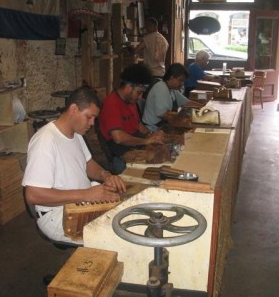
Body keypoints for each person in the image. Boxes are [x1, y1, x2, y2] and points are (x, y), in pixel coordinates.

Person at [22, 87, 126, 245]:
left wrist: (106, 176)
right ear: (74, 109)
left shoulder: (76, 134)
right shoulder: (45, 141)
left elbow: (87, 164)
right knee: (118, 235)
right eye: (89, 117)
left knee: (125, 215)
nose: (92, 123)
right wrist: (87, 195)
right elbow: (33, 195)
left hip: (80, 203)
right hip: (58, 215)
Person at [98, 63, 164, 174]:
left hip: (135, 146)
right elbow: (119, 138)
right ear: (129, 87)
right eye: (139, 92)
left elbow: (138, 125)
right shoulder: (111, 103)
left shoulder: (130, 101)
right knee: (156, 171)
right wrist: (146, 141)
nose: (140, 97)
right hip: (120, 155)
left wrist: (152, 134)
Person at [142, 63, 192, 132]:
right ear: (171, 78)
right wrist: (183, 120)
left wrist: (202, 107)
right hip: (152, 129)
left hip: (162, 125)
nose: (182, 83)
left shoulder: (172, 89)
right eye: (180, 80)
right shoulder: (161, 88)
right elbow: (163, 114)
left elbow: (186, 103)